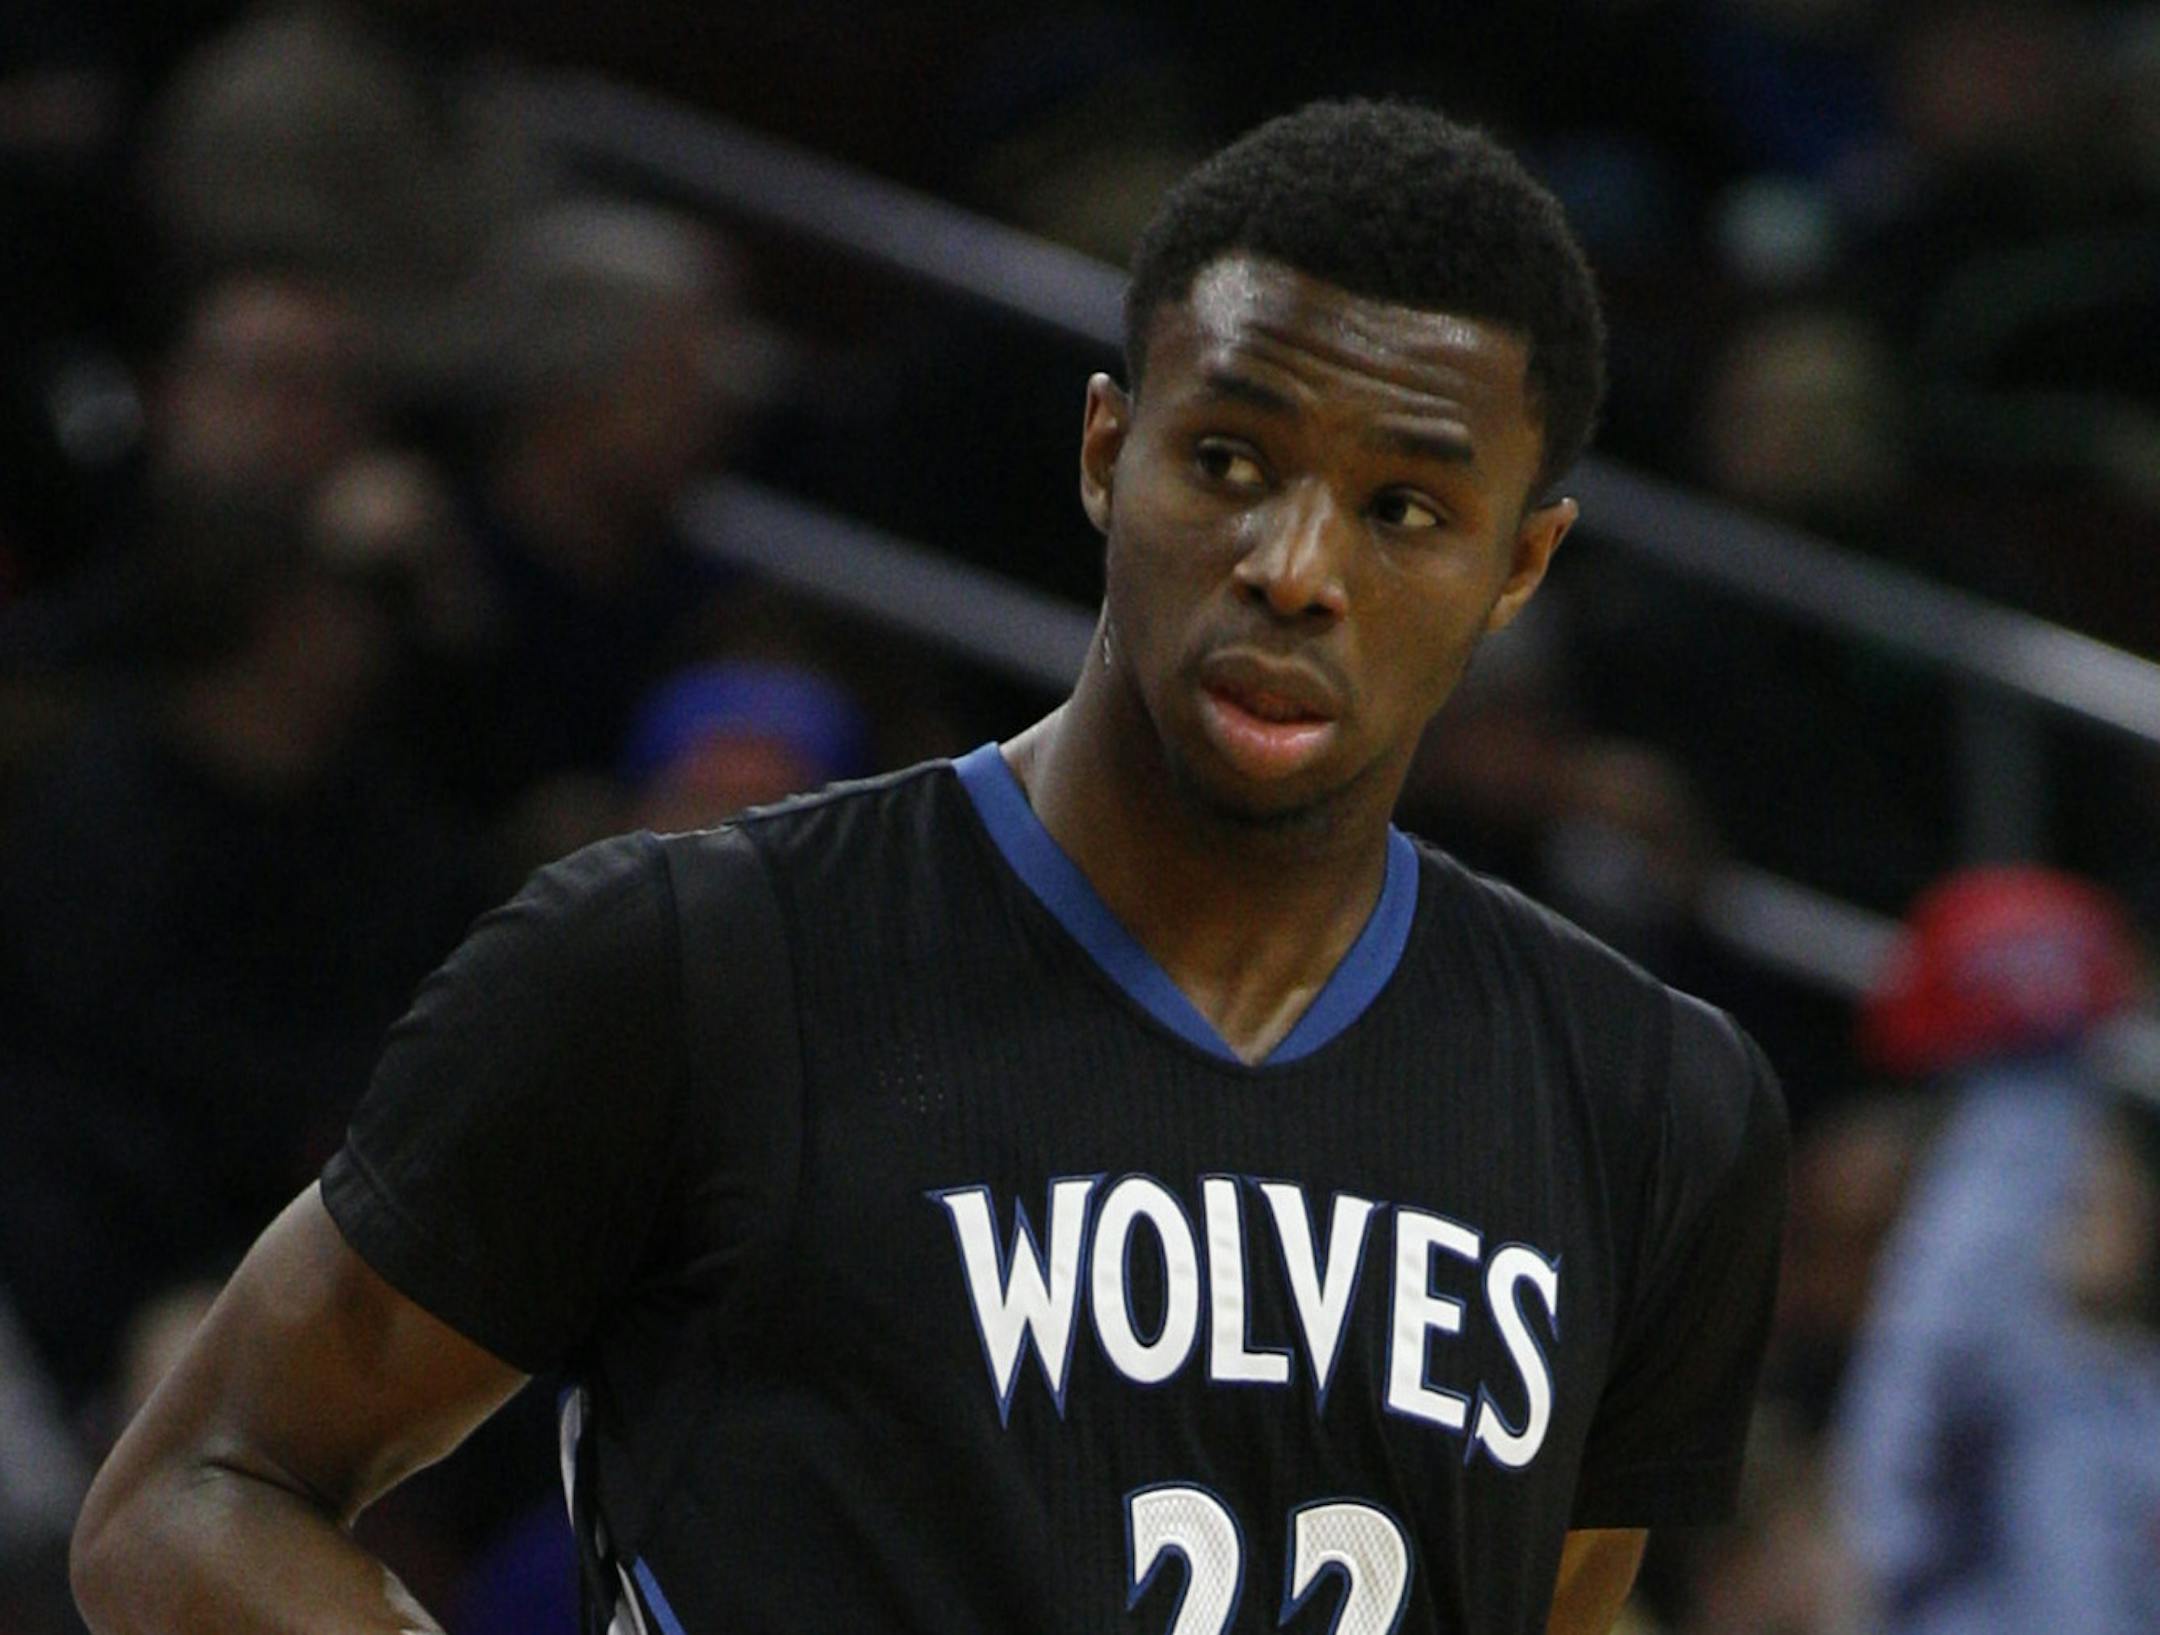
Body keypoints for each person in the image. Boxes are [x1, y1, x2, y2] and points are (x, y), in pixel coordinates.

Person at [69, 100, 1789, 1635]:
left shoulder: (1652, 1107)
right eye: (1231, 461)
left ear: (1522, 564)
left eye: (1407, 508)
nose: (1295, 568)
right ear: (1110, 451)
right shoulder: (701, 960)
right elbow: (195, 1491)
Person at [1833, 867, 2160, 1635]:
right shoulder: (1965, 1370)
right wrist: (2035, 1077)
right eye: (2064, 1191)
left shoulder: (2137, 1391)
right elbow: (1954, 1331)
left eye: (2103, 1182)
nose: (2081, 1200)